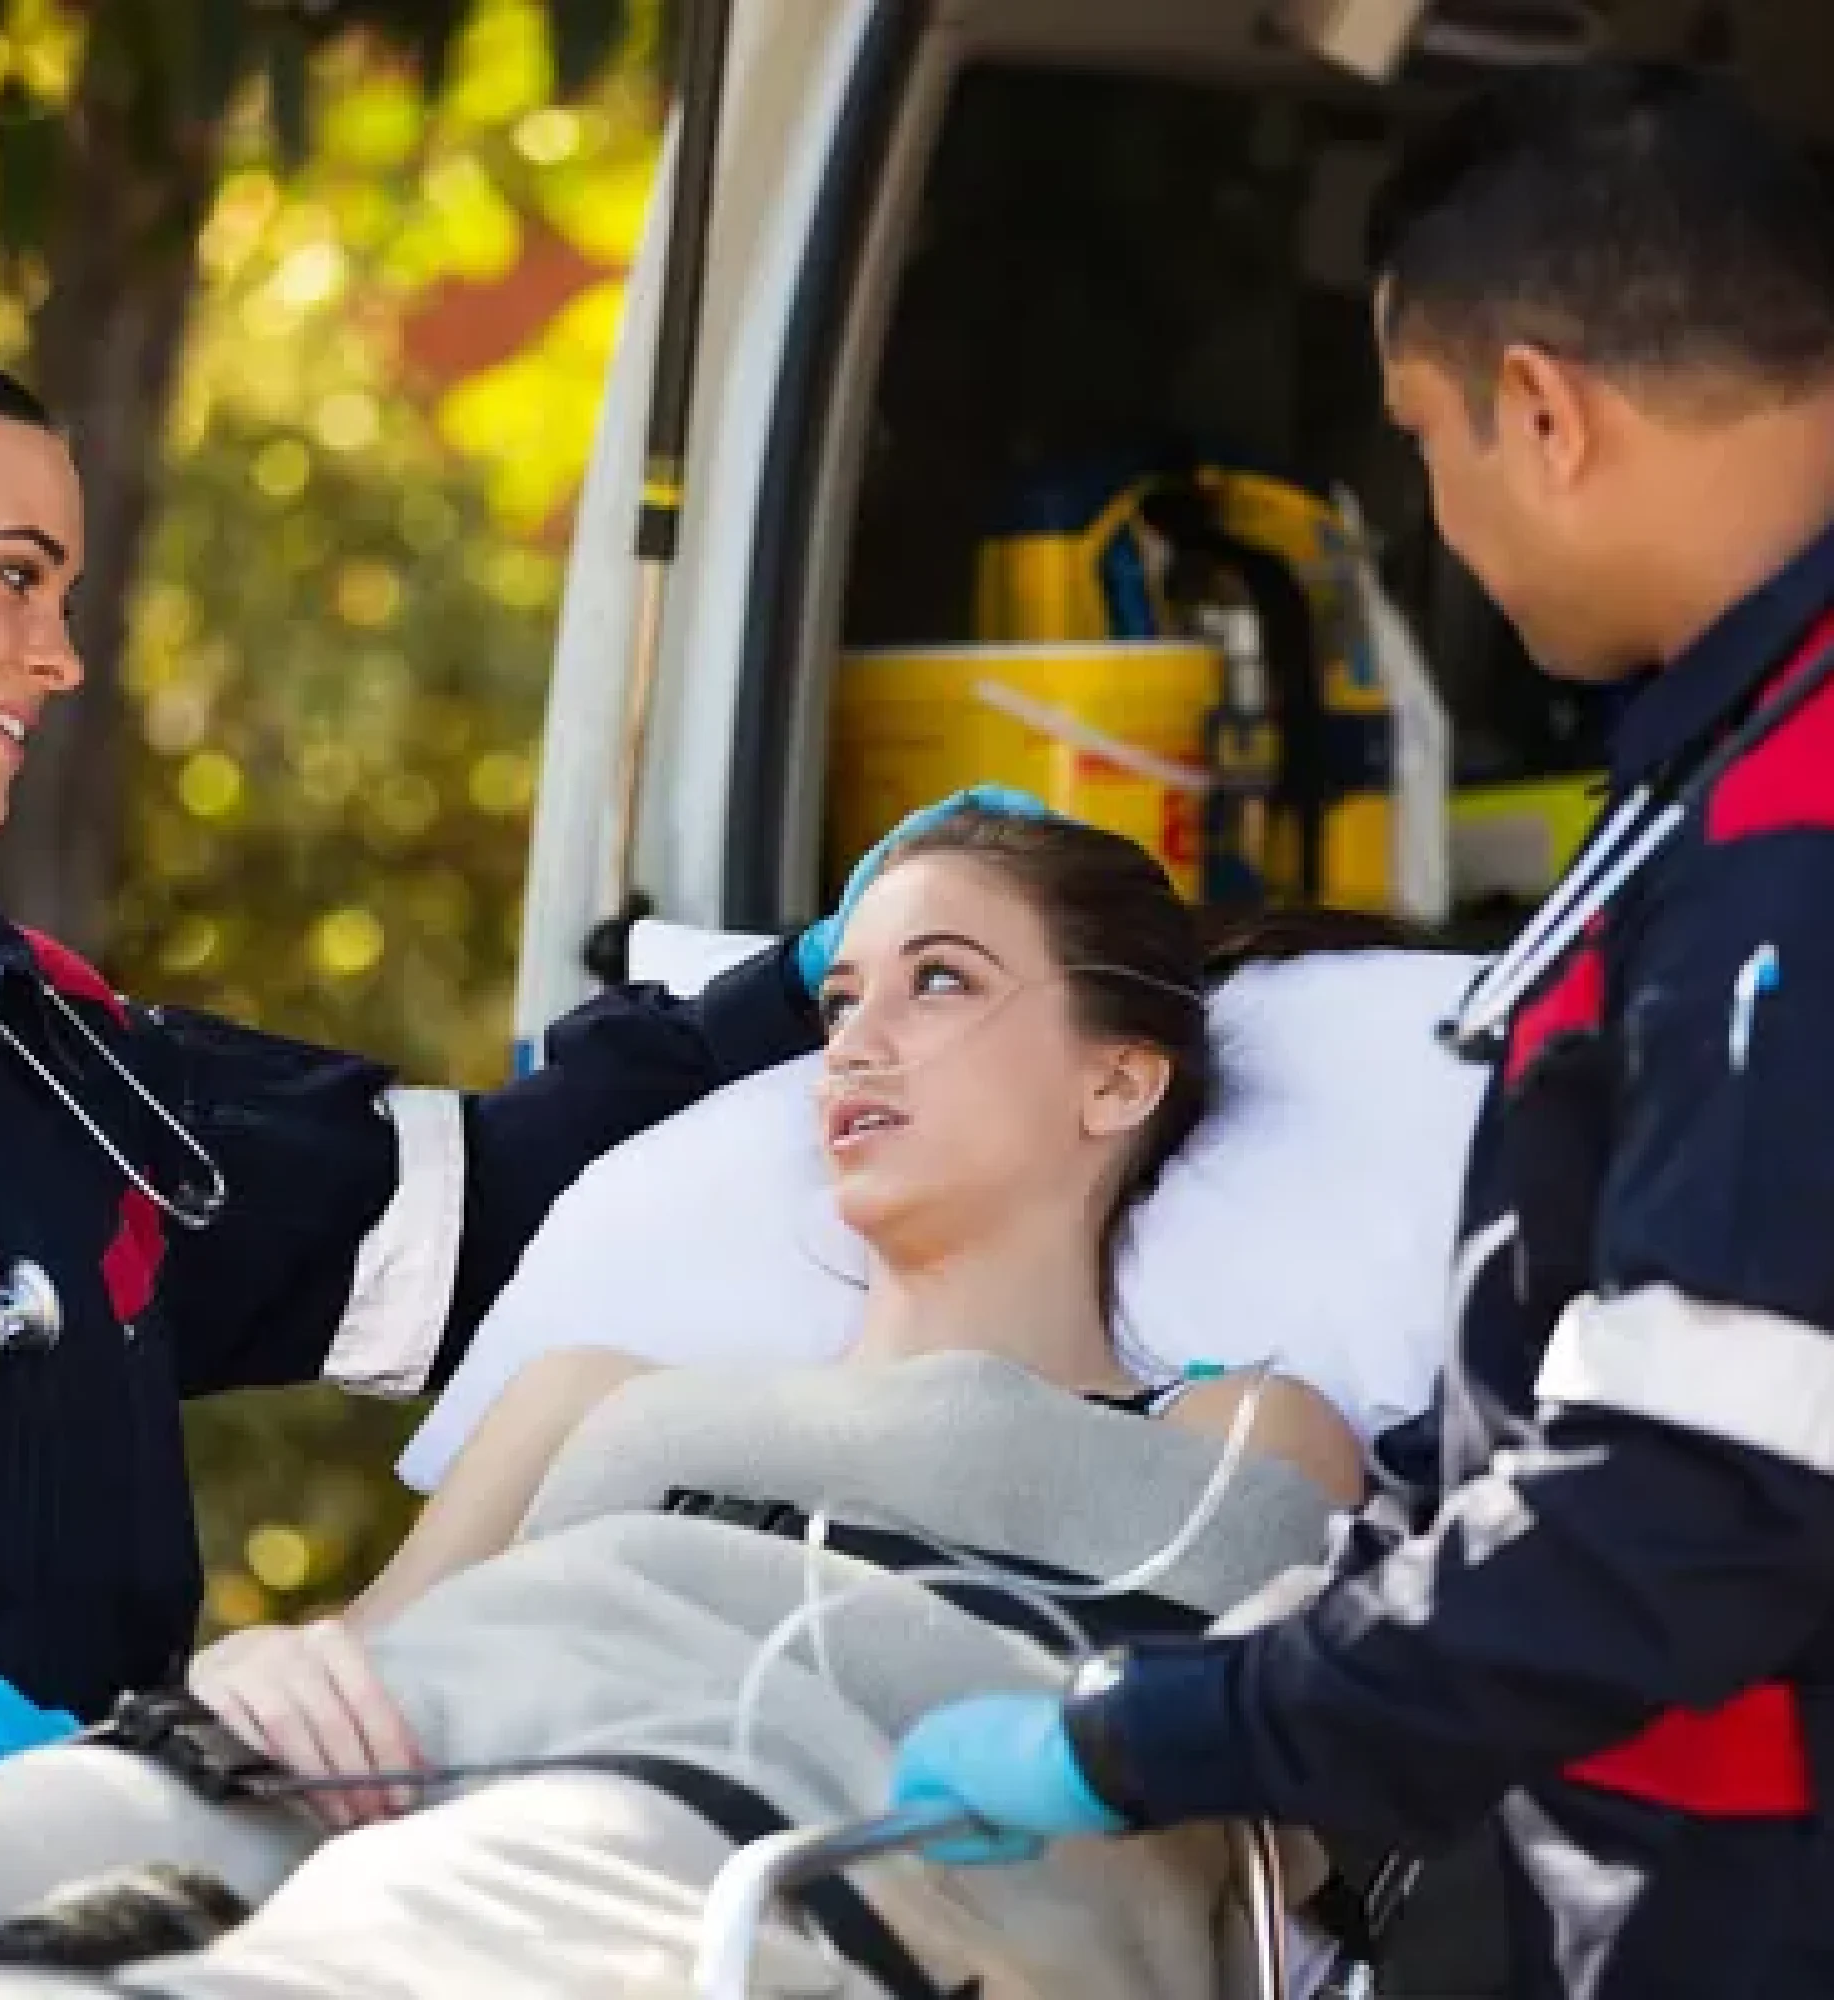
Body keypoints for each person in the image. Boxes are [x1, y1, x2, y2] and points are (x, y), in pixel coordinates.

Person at [890, 60, 1834, 2000]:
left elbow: (1690, 1501)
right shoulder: (1737, 776)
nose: (1436, 513)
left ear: (1540, 411)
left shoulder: (1786, 852)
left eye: (1418, 435)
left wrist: (1164, 1730)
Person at [0, 810, 1374, 1999]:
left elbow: (1238, 1763)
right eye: (840, 1001)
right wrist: (258, 1671)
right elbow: (362, 1653)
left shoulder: (1231, 1431)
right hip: (323, 1772)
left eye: (939, 981)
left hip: (682, 1840)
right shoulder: (586, 1394)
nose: (856, 1043)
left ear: (1117, 1080)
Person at [0, 334, 1016, 1729]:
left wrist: (804, 983)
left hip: (84, 1848)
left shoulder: (40, 1052)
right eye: (14, 575)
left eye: (67, 595)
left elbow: (470, 1217)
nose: (62, 657)